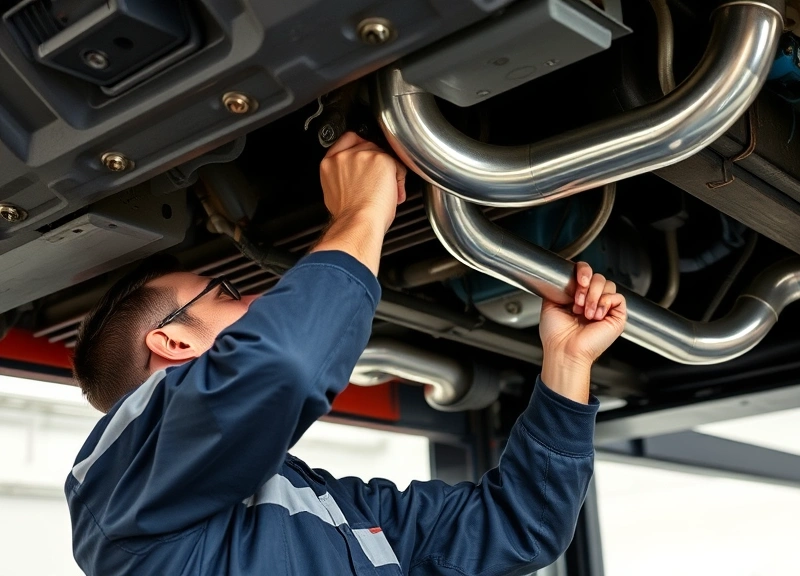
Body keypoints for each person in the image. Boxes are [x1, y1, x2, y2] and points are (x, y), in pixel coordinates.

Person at [66, 132, 628, 575]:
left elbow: (516, 528)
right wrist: (361, 213)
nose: (260, 296)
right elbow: (283, 361)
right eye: (229, 294)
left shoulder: (322, 504)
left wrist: (567, 362)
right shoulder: (117, 488)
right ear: (174, 342)